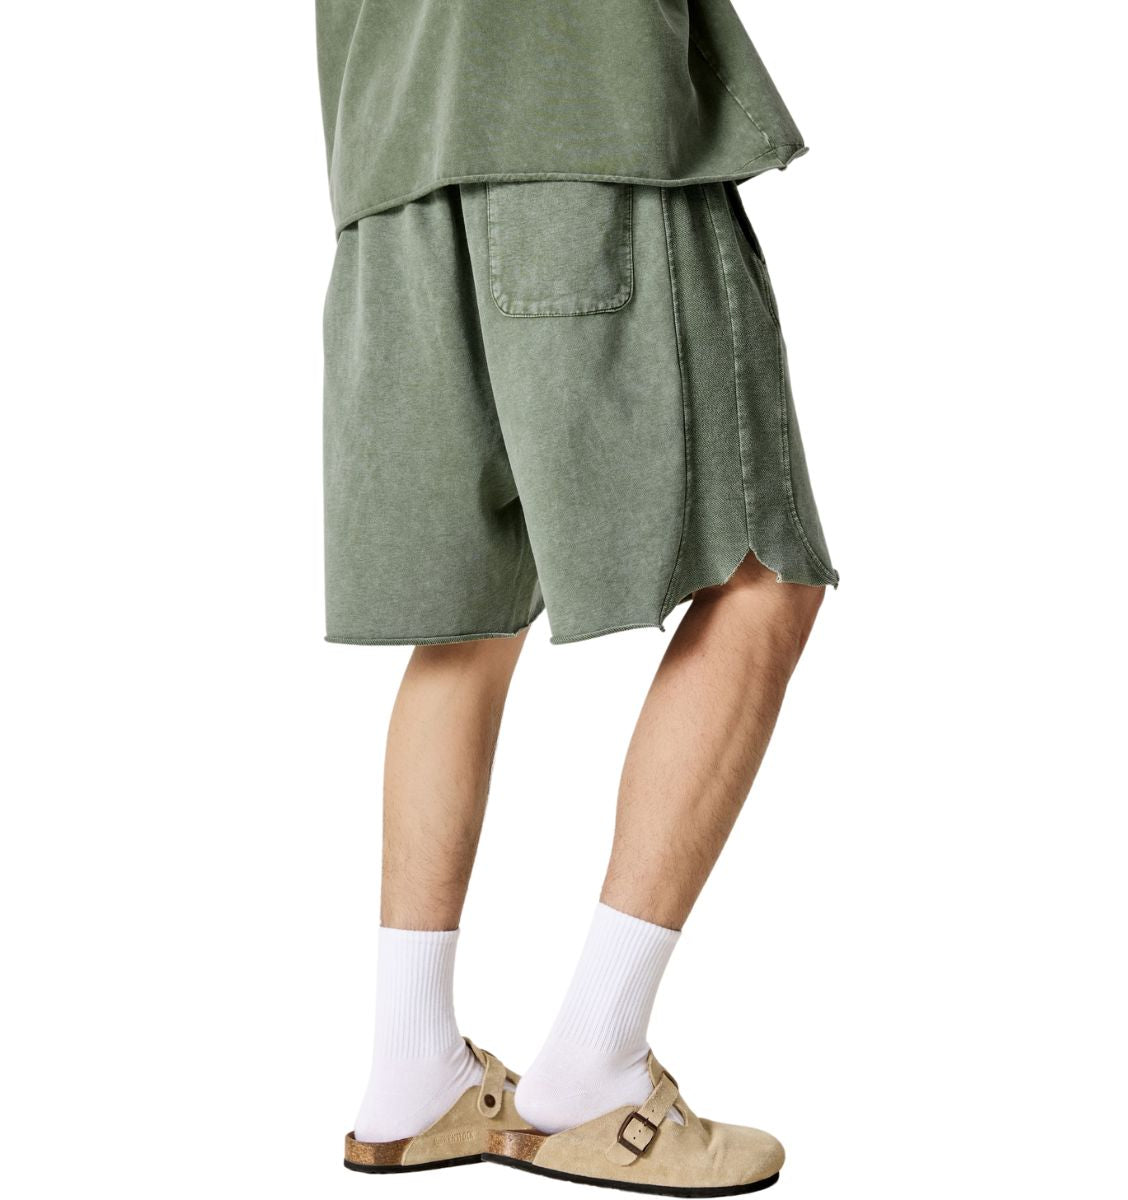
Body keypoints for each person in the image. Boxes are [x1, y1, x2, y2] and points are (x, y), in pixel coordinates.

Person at [316, 2, 837, 1193]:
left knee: (465, 623)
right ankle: (595, 1072)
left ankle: (411, 1077)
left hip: (388, 180)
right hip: (581, 132)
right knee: (765, 575)